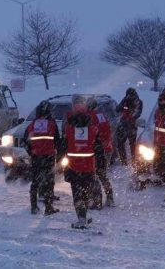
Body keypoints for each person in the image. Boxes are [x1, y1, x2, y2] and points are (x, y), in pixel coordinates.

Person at [62, 95, 103, 229]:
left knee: (77, 194)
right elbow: (98, 147)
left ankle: (81, 218)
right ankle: (83, 216)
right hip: (88, 166)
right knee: (86, 192)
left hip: (74, 167)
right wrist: (100, 163)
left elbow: (63, 146)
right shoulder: (92, 130)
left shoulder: (69, 130)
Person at [23, 100, 60, 216]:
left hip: (36, 157)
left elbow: (26, 140)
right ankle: (49, 207)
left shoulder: (31, 125)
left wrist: (31, 152)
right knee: (49, 181)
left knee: (35, 181)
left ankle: (34, 206)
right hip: (48, 156)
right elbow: (57, 141)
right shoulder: (52, 125)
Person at [87, 96, 114, 209]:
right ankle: (110, 197)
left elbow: (91, 134)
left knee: (94, 175)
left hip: (97, 149)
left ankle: (97, 200)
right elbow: (108, 130)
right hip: (106, 148)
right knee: (102, 175)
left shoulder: (90, 116)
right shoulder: (101, 115)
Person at [115, 88, 143, 165]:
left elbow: (137, 114)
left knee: (133, 145)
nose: (129, 97)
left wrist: (130, 115)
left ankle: (134, 161)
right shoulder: (125, 101)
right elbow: (117, 109)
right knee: (120, 143)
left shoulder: (138, 102)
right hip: (123, 124)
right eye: (128, 95)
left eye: (130, 95)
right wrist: (124, 102)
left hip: (131, 125)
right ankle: (124, 161)